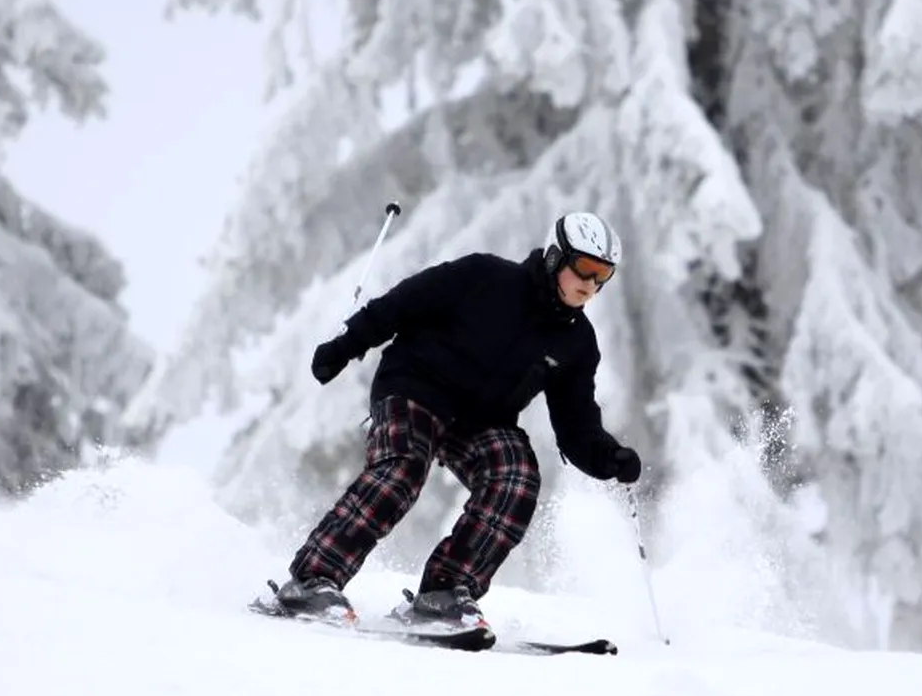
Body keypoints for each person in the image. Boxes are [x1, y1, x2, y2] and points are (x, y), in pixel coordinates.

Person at [269, 211, 643, 630]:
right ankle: (312, 579)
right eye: (586, 269)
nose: (592, 285)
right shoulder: (485, 276)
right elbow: (401, 303)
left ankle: (444, 592)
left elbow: (576, 425)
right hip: (416, 387)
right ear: (557, 257)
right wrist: (346, 344)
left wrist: (608, 457)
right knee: (404, 467)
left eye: (603, 275)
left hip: (480, 421)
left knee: (516, 479)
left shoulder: (576, 342)